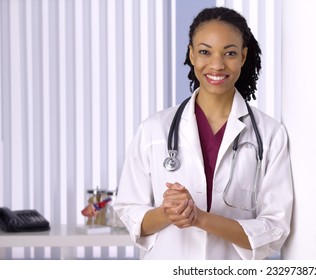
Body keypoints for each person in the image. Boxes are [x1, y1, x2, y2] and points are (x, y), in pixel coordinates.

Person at [113, 6, 293, 260]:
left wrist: (200, 218)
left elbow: (275, 228)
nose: (217, 65)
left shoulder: (270, 134)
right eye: (205, 52)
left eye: (229, 53)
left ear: (243, 56)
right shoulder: (154, 129)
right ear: (192, 55)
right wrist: (168, 212)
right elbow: (130, 213)